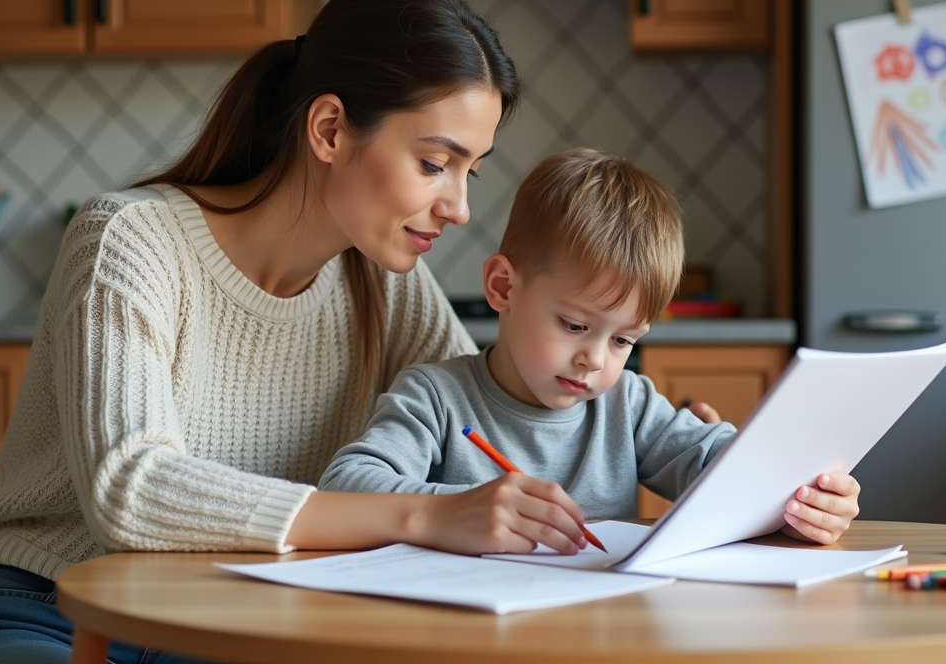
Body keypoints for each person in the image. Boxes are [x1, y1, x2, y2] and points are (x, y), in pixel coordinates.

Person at [0, 0, 595, 664]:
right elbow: (131, 490)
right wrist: (422, 514)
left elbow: (481, 433)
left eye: (469, 172)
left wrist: (649, 440)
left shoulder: (388, 285)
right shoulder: (130, 239)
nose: (459, 208)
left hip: (236, 621)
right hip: (42, 608)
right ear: (329, 129)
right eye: (433, 163)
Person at [320, 149, 861, 544]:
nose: (595, 360)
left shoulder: (626, 403)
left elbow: (715, 461)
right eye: (575, 326)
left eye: (624, 339)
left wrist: (802, 497)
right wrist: (455, 508)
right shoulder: (435, 396)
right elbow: (344, 487)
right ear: (504, 288)